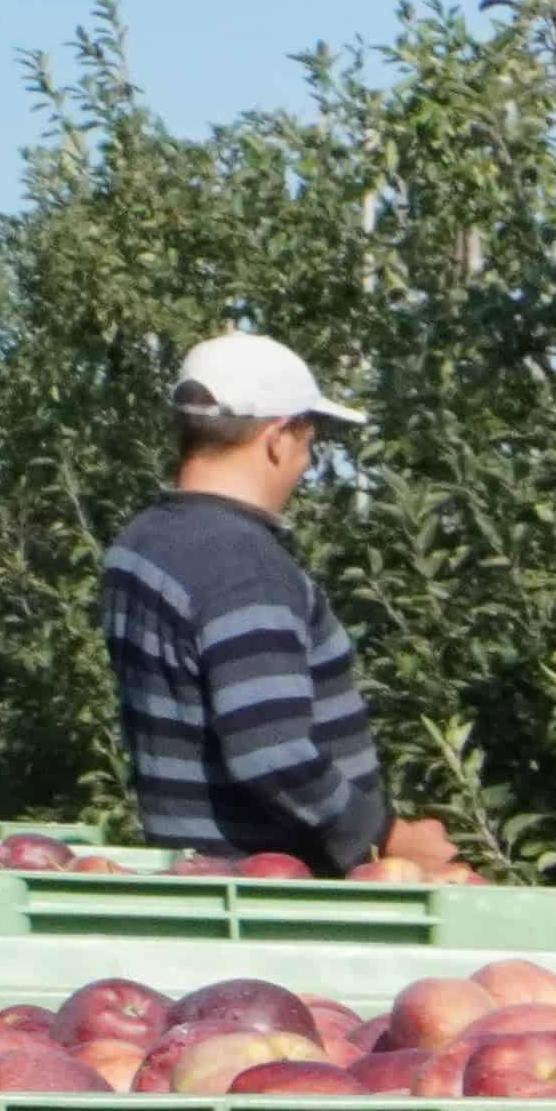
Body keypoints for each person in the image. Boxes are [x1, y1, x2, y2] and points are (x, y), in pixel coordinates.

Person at [97, 332, 442, 879]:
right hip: (269, 886)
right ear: (279, 438)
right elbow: (273, 754)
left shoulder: (141, 542)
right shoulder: (242, 565)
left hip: (193, 871)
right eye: (310, 442)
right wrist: (387, 838)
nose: (305, 463)